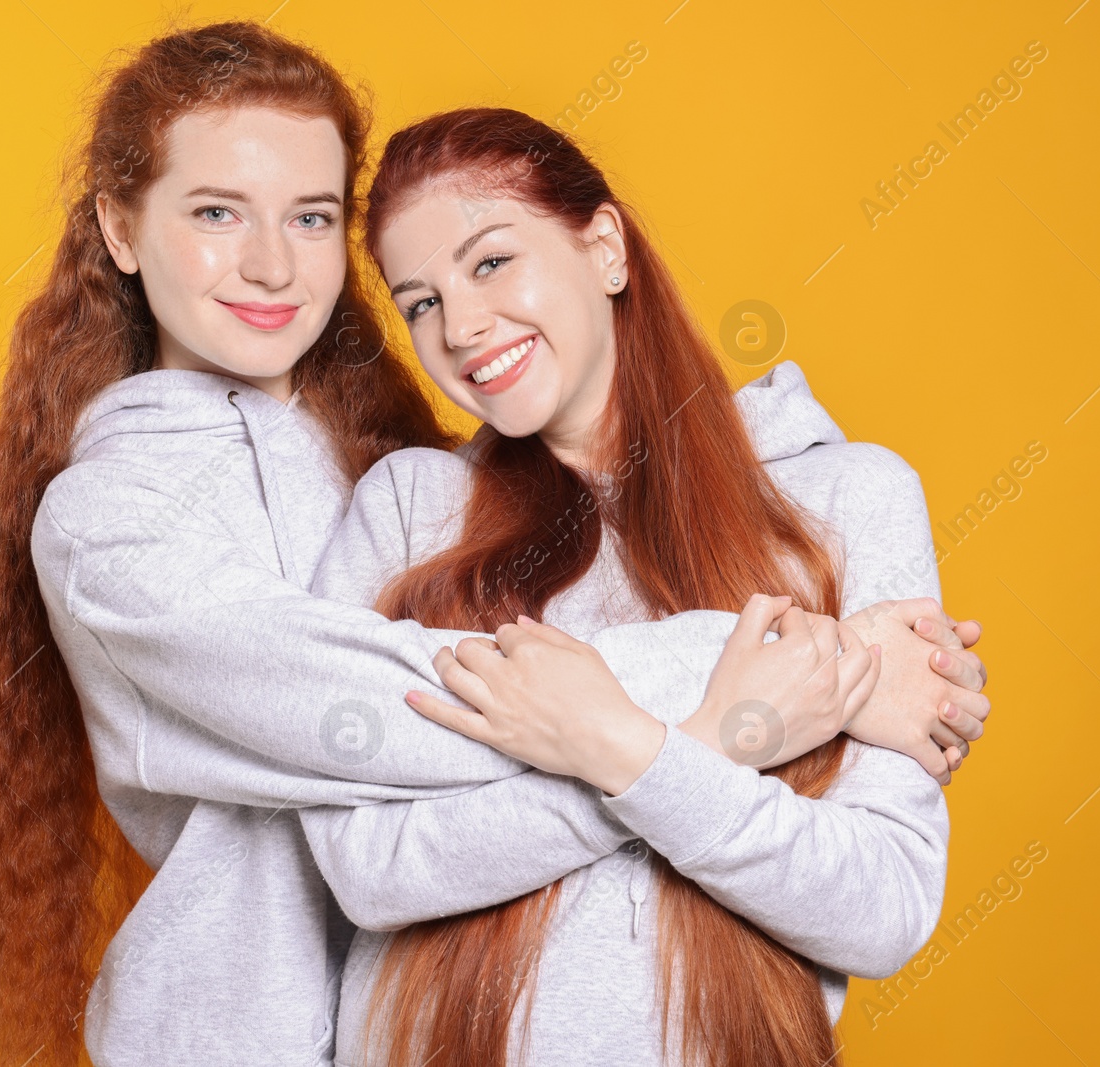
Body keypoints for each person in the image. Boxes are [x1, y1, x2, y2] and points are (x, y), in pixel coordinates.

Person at [0, 22, 986, 1067]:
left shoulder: (369, 466)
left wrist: (648, 740)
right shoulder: (146, 523)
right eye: (217, 212)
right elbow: (374, 806)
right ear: (120, 228)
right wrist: (772, 694)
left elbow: (880, 903)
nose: (273, 264)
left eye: (312, 218)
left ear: (604, 242)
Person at [298, 107, 989, 1067]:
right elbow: (368, 870)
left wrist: (615, 745)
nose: (460, 327)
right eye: (419, 302)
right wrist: (720, 734)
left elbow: (882, 907)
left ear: (607, 247)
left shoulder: (843, 498)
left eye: (491, 263)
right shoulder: (409, 511)